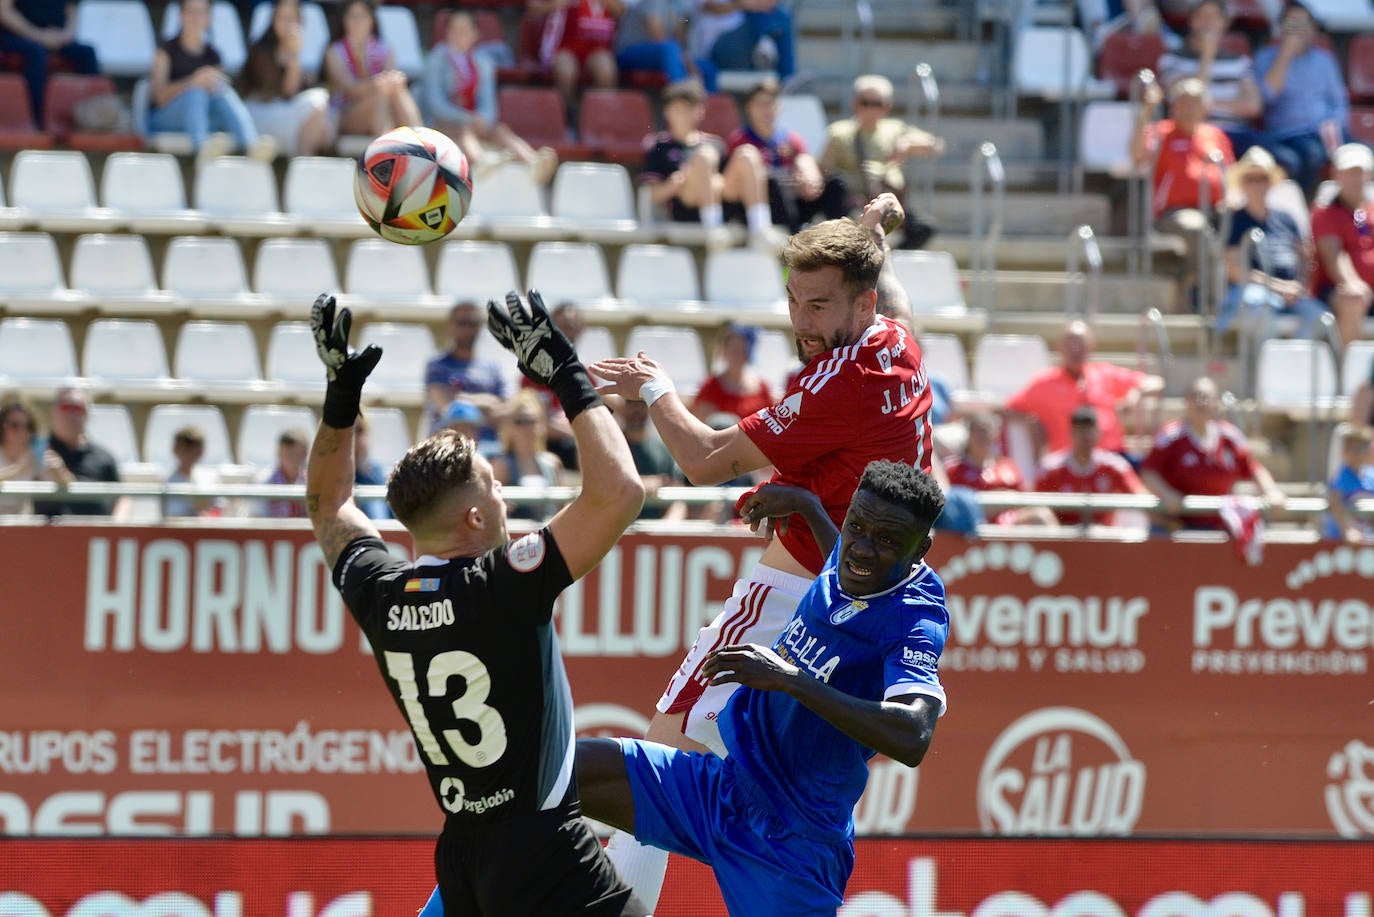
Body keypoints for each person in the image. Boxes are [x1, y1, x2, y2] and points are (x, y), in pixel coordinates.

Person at [588, 194, 934, 910]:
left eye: (817, 307)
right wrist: (869, 232)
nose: (801, 323)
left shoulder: (843, 382)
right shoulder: (895, 340)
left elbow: (704, 458)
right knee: (764, 778)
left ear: (863, 303)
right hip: (862, 605)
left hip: (795, 595)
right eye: (794, 301)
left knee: (669, 741)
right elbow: (878, 288)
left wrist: (654, 388)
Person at [305, 289, 647, 916]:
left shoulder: (382, 594)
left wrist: (338, 401)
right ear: (470, 516)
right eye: (495, 489)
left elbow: (328, 505)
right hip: (543, 848)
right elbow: (619, 492)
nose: (506, 501)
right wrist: (565, 372)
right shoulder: (502, 585)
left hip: (463, 856)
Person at [577, 461, 947, 916]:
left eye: (887, 540)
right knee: (554, 774)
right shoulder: (856, 560)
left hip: (793, 842)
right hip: (720, 789)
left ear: (921, 548)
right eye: (856, 526)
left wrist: (789, 680)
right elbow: (847, 560)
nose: (862, 550)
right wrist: (808, 507)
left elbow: (914, 736)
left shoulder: (914, 619)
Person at [641, 78, 783, 249]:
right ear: (667, 112)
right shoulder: (658, 145)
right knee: (704, 156)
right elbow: (654, 195)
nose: (684, 114)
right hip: (686, 206)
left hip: (721, 201)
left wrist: (709, 180)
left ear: (700, 111)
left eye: (689, 108)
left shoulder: (716, 143)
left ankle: (760, 228)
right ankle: (713, 228)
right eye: (679, 109)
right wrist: (675, 183)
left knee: (748, 153)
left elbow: (723, 184)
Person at [1131, 76, 1235, 308]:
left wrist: (1233, 197)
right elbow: (1137, 155)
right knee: (1196, 229)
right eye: (1182, 102)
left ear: (1206, 107)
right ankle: (1213, 303)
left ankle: (1239, 299)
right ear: (1173, 106)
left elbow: (1230, 173)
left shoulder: (1215, 135)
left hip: (1218, 211)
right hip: (1175, 214)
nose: (1188, 109)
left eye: (1195, 102)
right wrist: (1147, 112)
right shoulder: (1160, 132)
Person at [422, 11, 558, 185]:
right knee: (465, 131)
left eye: (464, 30)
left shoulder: (483, 63)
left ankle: (533, 161)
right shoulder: (436, 59)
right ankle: (481, 161)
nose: (458, 35)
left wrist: (483, 120)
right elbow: (436, 105)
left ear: (475, 35)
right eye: (454, 29)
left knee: (500, 129)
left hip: (473, 123)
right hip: (442, 124)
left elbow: (489, 106)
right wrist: (469, 118)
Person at [1140, 376, 1286, 530]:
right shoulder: (1170, 436)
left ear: (1217, 402)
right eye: (1197, 397)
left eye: (1208, 397)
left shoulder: (1229, 435)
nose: (1202, 402)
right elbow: (1149, 472)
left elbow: (1254, 469)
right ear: (1186, 402)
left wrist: (1271, 491)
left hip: (1221, 522)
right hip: (1178, 524)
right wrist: (1167, 494)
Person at [1004, 320, 1164, 457]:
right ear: (1059, 347)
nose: (1075, 349)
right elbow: (1006, 408)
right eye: (1070, 343)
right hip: (1068, 464)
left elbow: (1157, 382)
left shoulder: (1104, 373)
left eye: (1080, 343)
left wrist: (1134, 395)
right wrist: (1031, 421)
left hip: (1111, 458)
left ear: (1091, 347)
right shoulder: (1045, 383)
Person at [820, 74, 943, 250]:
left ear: (887, 107)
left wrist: (907, 144)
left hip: (890, 204)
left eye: (877, 103)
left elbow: (936, 146)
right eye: (865, 102)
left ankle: (886, 259)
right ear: (854, 104)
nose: (871, 109)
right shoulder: (840, 133)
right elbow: (824, 171)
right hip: (855, 206)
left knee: (924, 228)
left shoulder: (895, 130)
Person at [148, 0, 274, 161]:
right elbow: (159, 98)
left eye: (201, 12)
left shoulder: (213, 55)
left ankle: (252, 145)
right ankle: (202, 150)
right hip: (164, 120)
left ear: (208, 18)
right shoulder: (165, 51)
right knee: (196, 92)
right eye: (191, 11)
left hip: (204, 118)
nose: (195, 17)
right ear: (181, 15)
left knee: (223, 92)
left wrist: (215, 83)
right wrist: (192, 82)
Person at [1218, 145, 1323, 337]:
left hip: (1291, 293)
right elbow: (1235, 271)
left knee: (1320, 318)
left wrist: (1299, 286)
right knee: (1260, 309)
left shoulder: (1286, 218)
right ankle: (1261, 366)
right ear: (1242, 184)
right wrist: (1279, 288)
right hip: (1252, 292)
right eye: (1251, 179)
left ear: (1271, 183)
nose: (1257, 184)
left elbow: (1306, 257)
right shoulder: (1233, 220)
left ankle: (1296, 364)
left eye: (1263, 178)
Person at [730, 78, 848, 234]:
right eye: (760, 104)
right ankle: (793, 238)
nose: (766, 109)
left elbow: (808, 171)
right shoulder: (740, 140)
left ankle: (839, 235)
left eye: (771, 103)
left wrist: (808, 176)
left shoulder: (791, 139)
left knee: (836, 184)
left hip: (795, 198)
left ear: (780, 106)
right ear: (749, 108)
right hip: (765, 203)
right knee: (774, 183)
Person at [1254, 0, 1348, 196]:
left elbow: (1338, 102)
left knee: (1365, 152)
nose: (1297, 30)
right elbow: (1266, 97)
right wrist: (1285, 55)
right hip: (1288, 134)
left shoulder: (1324, 59)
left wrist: (1333, 129)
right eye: (1291, 24)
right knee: (1310, 156)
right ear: (1280, 28)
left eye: (1303, 24)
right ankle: (1305, 213)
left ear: (1313, 29)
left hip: (1325, 133)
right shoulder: (1265, 57)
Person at [1155, 0, 1263, 153]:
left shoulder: (1239, 63)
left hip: (1235, 134)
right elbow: (1190, 101)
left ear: (1225, 22)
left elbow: (1253, 106)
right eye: (1202, 16)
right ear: (1192, 21)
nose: (1208, 22)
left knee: (1282, 157)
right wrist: (1207, 56)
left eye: (1213, 16)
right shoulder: (1172, 61)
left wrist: (1209, 103)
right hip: (1194, 134)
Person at [237, 0, 332, 157]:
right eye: (282, 18)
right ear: (273, 20)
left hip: (284, 112)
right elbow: (286, 93)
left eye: (292, 18)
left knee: (321, 104)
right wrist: (294, 56)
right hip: (258, 114)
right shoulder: (260, 50)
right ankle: (302, 161)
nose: (288, 24)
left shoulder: (300, 48)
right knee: (315, 106)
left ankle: (303, 163)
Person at [1035, 406, 1150, 527]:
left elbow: (1140, 495)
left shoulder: (1113, 466)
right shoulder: (1051, 469)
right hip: (1061, 539)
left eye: (1089, 431)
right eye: (1080, 431)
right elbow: (1034, 506)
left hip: (1105, 539)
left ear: (1098, 433)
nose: (1085, 437)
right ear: (1071, 433)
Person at [323, 0, 421, 139]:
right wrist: (377, 83)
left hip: (385, 107)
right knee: (381, 95)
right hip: (346, 114)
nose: (358, 21)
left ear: (372, 20)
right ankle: (383, 152)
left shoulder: (384, 48)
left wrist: (392, 82)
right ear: (344, 20)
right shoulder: (335, 51)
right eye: (353, 16)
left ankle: (420, 143)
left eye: (363, 16)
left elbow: (391, 80)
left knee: (396, 89)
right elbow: (350, 89)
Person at [1309, 143, 1374, 349]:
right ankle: (1348, 377)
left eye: (1359, 172)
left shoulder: (1370, 210)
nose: (1355, 178)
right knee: (1353, 300)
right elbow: (1334, 256)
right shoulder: (1325, 213)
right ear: (1336, 175)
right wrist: (1353, 283)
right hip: (1335, 290)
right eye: (1348, 172)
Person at [943, 412, 1054, 527]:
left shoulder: (1008, 466)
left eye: (987, 431)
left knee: (1041, 516)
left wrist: (1009, 498)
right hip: (970, 524)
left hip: (1010, 524)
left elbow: (1025, 500)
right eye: (978, 431)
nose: (983, 436)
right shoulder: (954, 469)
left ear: (995, 436)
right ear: (969, 434)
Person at [0, 0, 98, 128]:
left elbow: (72, 12)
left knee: (87, 53)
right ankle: (37, 121)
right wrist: (39, 36)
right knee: (36, 53)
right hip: (19, 36)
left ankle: (95, 118)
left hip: (56, 37)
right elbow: (4, 11)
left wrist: (64, 36)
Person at [32, 388, 127, 519]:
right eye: (66, 407)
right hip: (44, 534)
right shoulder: (36, 449)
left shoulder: (103, 457)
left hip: (95, 533)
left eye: (78, 408)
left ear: (87, 415)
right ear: (53, 411)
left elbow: (122, 497)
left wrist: (118, 524)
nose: (71, 414)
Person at [425, 302, 509, 439]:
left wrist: (462, 398)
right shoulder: (437, 366)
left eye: (473, 323)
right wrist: (489, 402)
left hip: (492, 446)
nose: (467, 329)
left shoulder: (493, 368)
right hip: (449, 442)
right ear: (450, 326)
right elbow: (449, 408)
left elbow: (504, 410)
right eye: (461, 323)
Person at [529, 0, 621, 114]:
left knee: (606, 70)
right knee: (566, 72)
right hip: (563, 46)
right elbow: (532, 9)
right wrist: (557, 4)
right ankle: (565, 116)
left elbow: (620, 11)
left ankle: (602, 117)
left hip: (596, 47)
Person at [491, 389, 566, 521]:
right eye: (519, 421)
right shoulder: (502, 464)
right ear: (508, 427)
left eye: (531, 420)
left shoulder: (552, 462)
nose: (526, 427)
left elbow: (561, 507)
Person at [688, 0, 795, 82]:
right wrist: (744, 4)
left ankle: (786, 77)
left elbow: (768, 3)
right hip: (717, 50)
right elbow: (714, 8)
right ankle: (785, 74)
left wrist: (751, 4)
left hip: (744, 46)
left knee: (780, 17)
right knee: (775, 19)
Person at [691, 323, 774, 422]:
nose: (739, 356)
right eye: (734, 350)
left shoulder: (762, 387)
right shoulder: (711, 387)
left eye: (743, 350)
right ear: (723, 351)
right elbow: (705, 428)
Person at [614, 0, 694, 87]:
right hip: (628, 52)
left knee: (706, 67)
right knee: (670, 48)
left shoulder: (677, 5)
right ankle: (681, 91)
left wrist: (683, 21)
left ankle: (705, 98)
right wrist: (681, 56)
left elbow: (681, 27)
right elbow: (657, 36)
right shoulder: (653, 2)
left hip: (658, 53)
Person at [0, 398, 56, 515]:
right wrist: (16, 470)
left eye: (28, 426)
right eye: (15, 425)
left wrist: (59, 470)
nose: (22, 430)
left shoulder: (36, 455)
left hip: (22, 523)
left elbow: (58, 487)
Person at [1322, 424, 1374, 544]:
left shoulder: (1371, 475)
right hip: (1340, 540)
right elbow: (1335, 502)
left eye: (1362, 448)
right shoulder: (1342, 476)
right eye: (1353, 448)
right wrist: (1348, 530)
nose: (1357, 454)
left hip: (1365, 538)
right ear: (1344, 451)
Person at [162, 425, 224, 518]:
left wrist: (208, 516)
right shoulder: (167, 482)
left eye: (195, 448)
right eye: (186, 448)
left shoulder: (211, 478)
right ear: (175, 450)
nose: (191, 453)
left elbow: (219, 509)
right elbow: (172, 518)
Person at [261, 428, 309, 519]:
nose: (292, 460)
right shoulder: (265, 481)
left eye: (297, 454)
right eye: (288, 454)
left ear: (305, 454)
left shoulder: (311, 482)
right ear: (279, 453)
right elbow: (257, 518)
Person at [352, 412, 391, 520]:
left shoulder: (378, 473)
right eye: (349, 431)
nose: (354, 438)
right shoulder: (327, 476)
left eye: (359, 431)